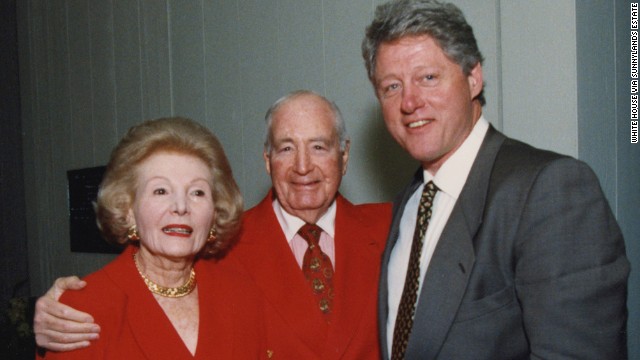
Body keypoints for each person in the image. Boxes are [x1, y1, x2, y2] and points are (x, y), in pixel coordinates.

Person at [361, 1, 630, 359]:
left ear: (473, 78)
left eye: (428, 78)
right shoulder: (409, 204)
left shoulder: (550, 191)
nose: (409, 102)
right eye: (392, 87)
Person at [33, 91, 392, 359]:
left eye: (319, 147)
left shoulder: (393, 229)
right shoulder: (227, 247)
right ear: (266, 161)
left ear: (344, 157)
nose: (302, 166)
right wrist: (53, 309)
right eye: (286, 148)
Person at [38, 117, 265, 359]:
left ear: (215, 211)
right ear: (128, 210)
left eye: (197, 192)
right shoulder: (83, 308)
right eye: (161, 191)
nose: (180, 206)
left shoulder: (242, 295)